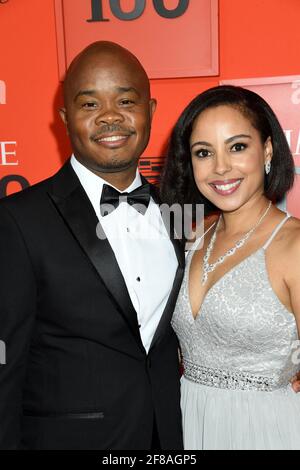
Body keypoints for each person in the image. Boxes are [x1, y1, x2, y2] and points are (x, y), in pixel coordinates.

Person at [0, 41, 185, 450]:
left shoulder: (178, 213)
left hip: (168, 437)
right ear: (64, 119)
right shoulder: (17, 221)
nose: (110, 117)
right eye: (89, 105)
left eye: (125, 100)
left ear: (150, 111)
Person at [161, 85, 300, 450]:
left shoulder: (294, 245)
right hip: (189, 420)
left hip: (266, 431)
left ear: (267, 149)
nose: (220, 167)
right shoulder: (191, 234)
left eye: (237, 146)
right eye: (203, 153)